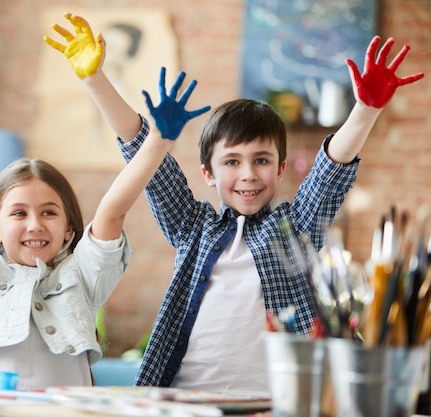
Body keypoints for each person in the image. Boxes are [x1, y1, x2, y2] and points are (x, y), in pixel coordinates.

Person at [45, 13, 424, 392]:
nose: (248, 174)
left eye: (261, 160)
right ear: (208, 173)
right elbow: (144, 153)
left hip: (273, 404)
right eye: (231, 162)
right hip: (183, 400)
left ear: (280, 170)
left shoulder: (294, 231)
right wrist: (95, 79)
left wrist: (366, 109)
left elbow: (330, 173)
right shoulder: (192, 227)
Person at [0, 58, 205, 390]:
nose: (35, 225)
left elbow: (112, 212)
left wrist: (159, 139)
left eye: (49, 213)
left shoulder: (84, 276)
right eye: (19, 214)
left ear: (69, 231)